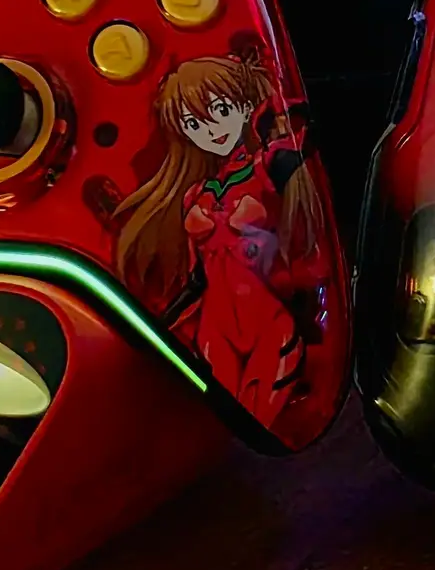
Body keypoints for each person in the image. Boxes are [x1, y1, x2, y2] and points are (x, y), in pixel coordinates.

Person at [112, 53, 327, 429]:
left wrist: (277, 115)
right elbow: (197, 275)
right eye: (194, 124)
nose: (211, 130)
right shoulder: (197, 194)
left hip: (269, 317)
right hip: (215, 324)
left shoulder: (266, 167)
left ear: (244, 106)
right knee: (231, 415)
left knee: (260, 418)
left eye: (222, 110)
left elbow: (301, 136)